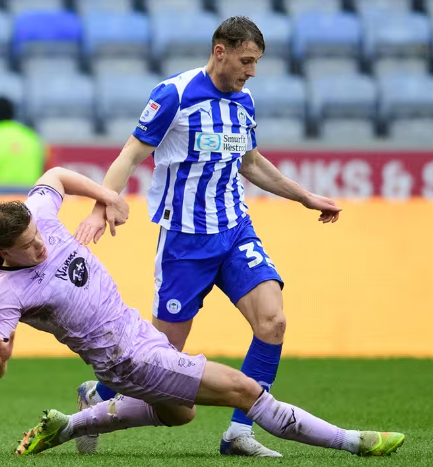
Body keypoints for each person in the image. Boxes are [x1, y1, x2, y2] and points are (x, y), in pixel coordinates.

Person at [0, 167, 405, 458]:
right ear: (5, 253)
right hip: (127, 358)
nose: (41, 244)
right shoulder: (5, 296)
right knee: (243, 390)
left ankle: (68, 425)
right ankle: (354, 442)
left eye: (37, 234)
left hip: (139, 331)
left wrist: (106, 197)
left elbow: (55, 175)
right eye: (29, 246)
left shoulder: (36, 214)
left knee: (180, 413)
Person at [73, 16, 342, 457]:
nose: (251, 71)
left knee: (273, 321)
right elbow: (129, 156)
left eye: (256, 62)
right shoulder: (174, 95)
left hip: (235, 231)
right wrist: (101, 207)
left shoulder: (244, 101)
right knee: (159, 359)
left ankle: (239, 432)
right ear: (221, 51)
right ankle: (97, 395)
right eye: (246, 61)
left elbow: (250, 163)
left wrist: (304, 197)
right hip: (184, 242)